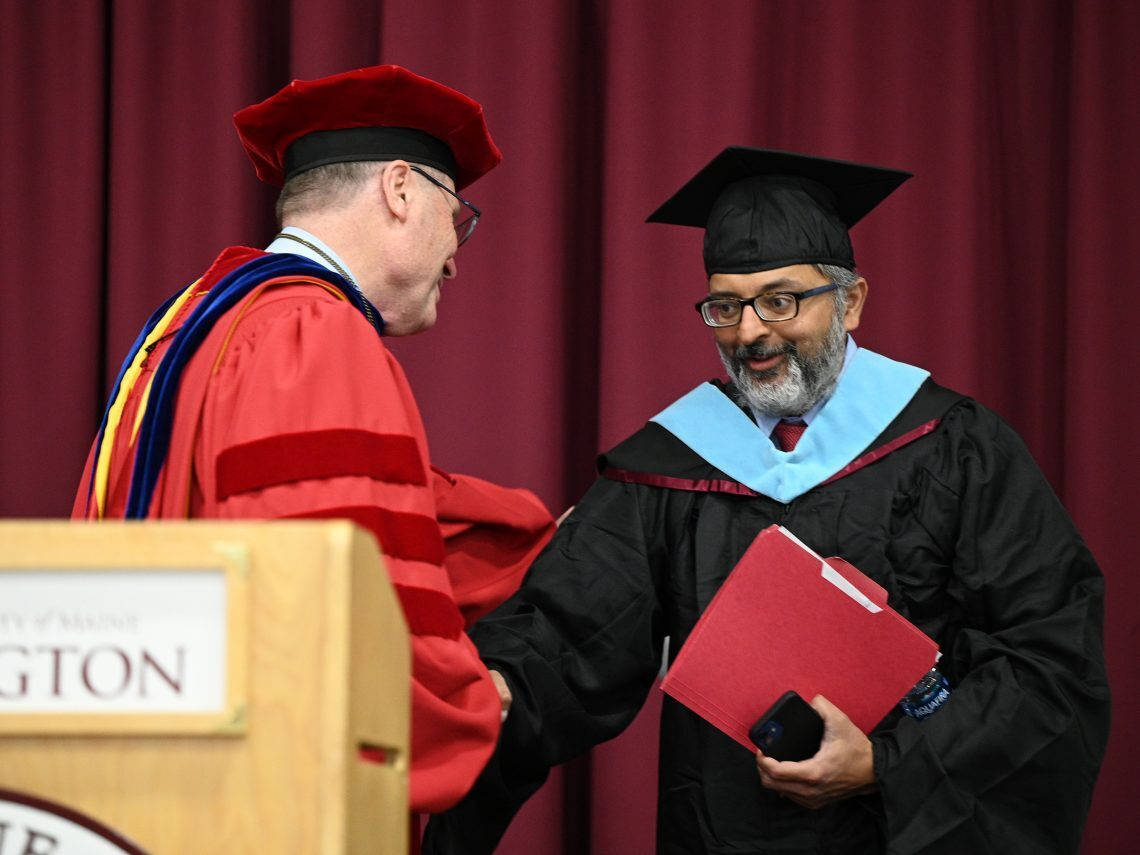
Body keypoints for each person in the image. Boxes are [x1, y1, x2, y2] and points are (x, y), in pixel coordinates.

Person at [422, 148, 1110, 853]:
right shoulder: (673, 461)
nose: (750, 331)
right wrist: (487, 691)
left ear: (851, 301)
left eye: (781, 299)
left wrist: (886, 763)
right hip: (723, 831)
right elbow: (571, 629)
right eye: (726, 305)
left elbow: (1048, 659)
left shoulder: (956, 448)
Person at [72, 65, 555, 817]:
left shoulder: (184, 330)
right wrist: (475, 701)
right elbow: (331, 594)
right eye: (455, 216)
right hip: (268, 802)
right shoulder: (310, 332)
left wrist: (547, 539)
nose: (457, 254)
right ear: (400, 190)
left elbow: (365, 506)